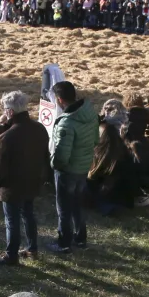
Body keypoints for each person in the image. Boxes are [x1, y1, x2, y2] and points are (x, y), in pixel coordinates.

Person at [0, 90, 50, 265]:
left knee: (12, 221)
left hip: (12, 187)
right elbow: (45, 156)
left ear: (9, 112)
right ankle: (32, 249)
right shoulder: (39, 128)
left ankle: (11, 255)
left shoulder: (6, 137)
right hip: (32, 181)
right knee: (28, 214)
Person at [46, 81, 96, 253]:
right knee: (77, 205)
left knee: (64, 208)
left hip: (67, 171)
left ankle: (64, 243)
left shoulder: (67, 123)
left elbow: (61, 156)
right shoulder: (89, 113)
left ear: (60, 100)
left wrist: (53, 164)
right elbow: (96, 140)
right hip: (83, 167)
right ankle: (80, 238)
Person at [88, 120, 140, 215]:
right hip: (126, 198)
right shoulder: (124, 149)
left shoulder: (100, 153)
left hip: (109, 195)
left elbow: (93, 178)